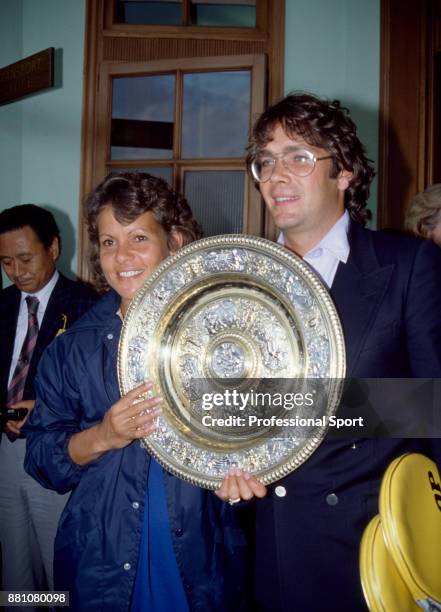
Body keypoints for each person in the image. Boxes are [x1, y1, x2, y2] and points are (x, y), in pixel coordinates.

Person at [217, 93, 441, 610]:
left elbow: (433, 403)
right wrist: (222, 469)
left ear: (344, 174)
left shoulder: (409, 266)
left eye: (298, 156)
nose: (275, 175)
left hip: (371, 544)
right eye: (266, 161)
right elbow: (226, 408)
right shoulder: (236, 281)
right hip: (270, 542)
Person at [23, 173, 252, 612]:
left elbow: (258, 435)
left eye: (139, 238)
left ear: (176, 241)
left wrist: (242, 472)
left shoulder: (226, 335)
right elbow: (42, 460)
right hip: (101, 559)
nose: (122, 256)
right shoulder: (73, 347)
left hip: (203, 555)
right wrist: (103, 435)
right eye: (109, 242)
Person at [0, 204, 97, 606]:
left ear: (53, 247)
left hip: (55, 451)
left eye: (25, 258)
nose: (17, 271)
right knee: (15, 567)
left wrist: (45, 409)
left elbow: (94, 392)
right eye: (6, 262)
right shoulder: (2, 305)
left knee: (57, 564)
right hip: (5, 451)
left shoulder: (86, 307)